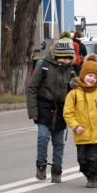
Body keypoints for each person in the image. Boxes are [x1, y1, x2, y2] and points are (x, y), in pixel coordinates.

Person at [26, 37, 78, 183]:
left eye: (69, 58)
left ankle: (57, 169)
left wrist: (76, 86)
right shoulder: (44, 66)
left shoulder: (70, 71)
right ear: (57, 55)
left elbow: (75, 94)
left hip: (61, 111)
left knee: (59, 142)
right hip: (44, 108)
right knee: (43, 137)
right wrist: (33, 112)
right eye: (63, 58)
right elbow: (32, 88)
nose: (66, 61)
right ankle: (41, 166)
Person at [62, 54, 97, 188]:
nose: (92, 79)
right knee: (82, 159)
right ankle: (88, 172)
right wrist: (75, 126)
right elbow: (68, 113)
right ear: (82, 75)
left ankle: (93, 178)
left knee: (93, 157)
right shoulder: (73, 94)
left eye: (95, 77)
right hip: (81, 134)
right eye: (89, 75)